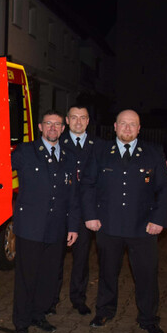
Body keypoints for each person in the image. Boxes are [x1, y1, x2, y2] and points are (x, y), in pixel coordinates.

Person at [81, 109, 167, 333]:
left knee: (147, 275)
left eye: (133, 125)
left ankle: (148, 319)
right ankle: (104, 311)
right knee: (107, 272)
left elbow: (165, 188)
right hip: (108, 226)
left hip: (143, 228)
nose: (128, 129)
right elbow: (88, 185)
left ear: (140, 128)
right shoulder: (100, 151)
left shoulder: (154, 152)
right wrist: (90, 215)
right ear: (115, 126)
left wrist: (158, 220)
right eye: (123, 124)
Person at [11, 110, 80, 333]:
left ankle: (38, 316)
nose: (52, 128)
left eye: (57, 124)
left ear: (63, 129)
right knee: (26, 277)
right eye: (48, 123)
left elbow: (72, 196)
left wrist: (72, 226)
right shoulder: (25, 152)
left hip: (56, 227)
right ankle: (21, 324)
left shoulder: (69, 158)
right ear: (40, 127)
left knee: (48, 277)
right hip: (30, 226)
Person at [49, 105, 103, 316]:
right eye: (74, 118)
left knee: (81, 259)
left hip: (85, 213)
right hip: (60, 211)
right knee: (55, 259)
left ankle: (78, 298)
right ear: (67, 121)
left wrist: (159, 162)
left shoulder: (98, 145)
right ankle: (51, 299)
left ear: (88, 121)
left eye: (83, 118)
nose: (78, 122)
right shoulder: (56, 142)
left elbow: (125, 152)